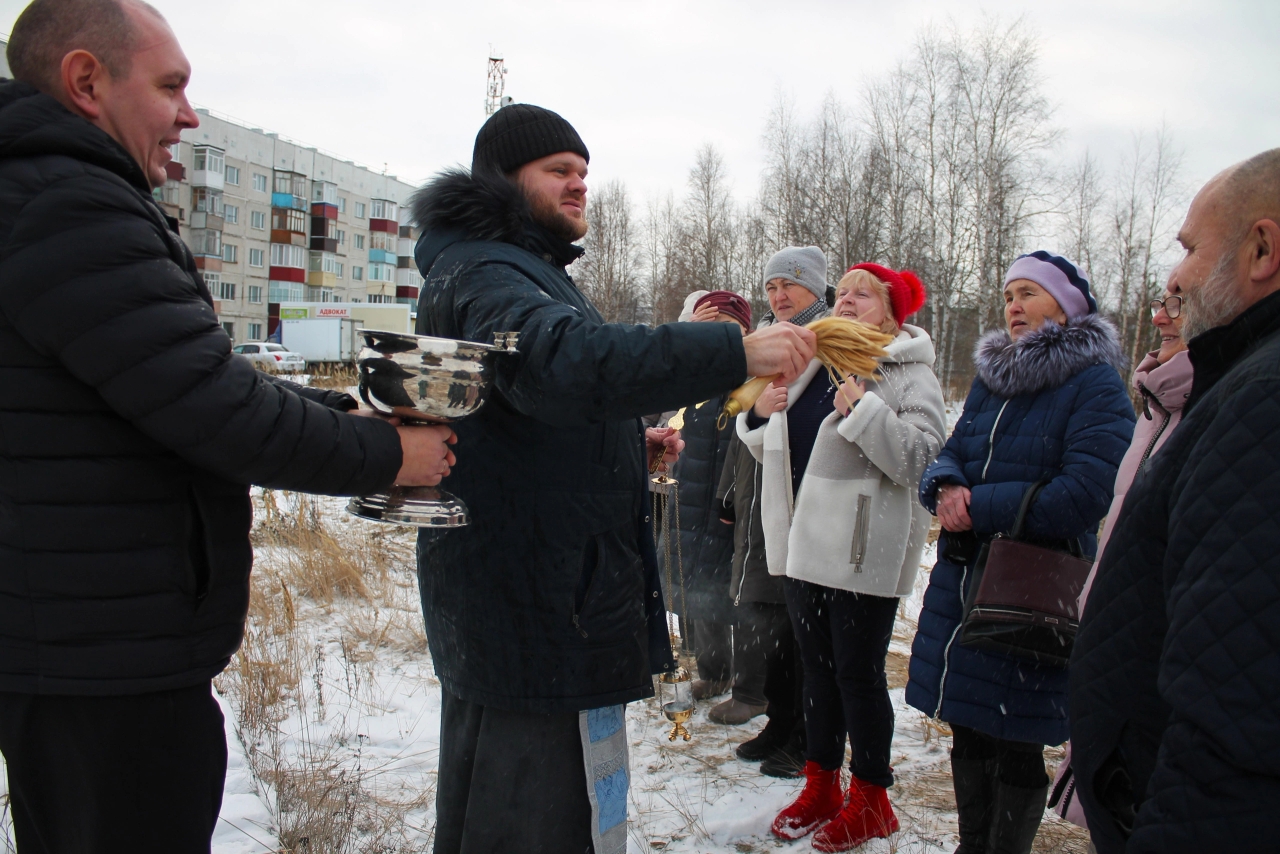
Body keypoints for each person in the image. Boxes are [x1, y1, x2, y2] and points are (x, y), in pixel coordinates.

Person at [0, 2, 455, 851]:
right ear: (86, 81)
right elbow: (218, 412)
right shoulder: (69, 207)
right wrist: (389, 453)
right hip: (102, 654)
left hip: (85, 639)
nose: (188, 115)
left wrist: (342, 410)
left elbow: (181, 383)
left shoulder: (58, 197)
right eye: (170, 86)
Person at [410, 104, 817, 854]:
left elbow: (524, 405)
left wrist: (625, 441)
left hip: (537, 600)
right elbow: (564, 365)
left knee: (523, 816)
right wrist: (730, 353)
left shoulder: (512, 267)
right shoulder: (488, 271)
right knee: (533, 824)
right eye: (558, 171)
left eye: (584, 173)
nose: (578, 187)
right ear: (502, 180)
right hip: (536, 608)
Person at [1071, 149, 1280, 853]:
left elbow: (1237, 713)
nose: (1176, 276)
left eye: (1191, 248)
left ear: (1262, 248)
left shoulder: (1266, 403)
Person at [907, 251, 1135, 854]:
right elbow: (954, 448)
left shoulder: (1095, 384)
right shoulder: (992, 378)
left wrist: (979, 506)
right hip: (966, 581)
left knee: (1015, 735)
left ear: (1067, 306)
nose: (1014, 305)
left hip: (1032, 588)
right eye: (1009, 294)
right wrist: (947, 486)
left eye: (1029, 293)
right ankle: (971, 845)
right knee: (970, 726)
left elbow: (1085, 494)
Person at [742, 264, 946, 850]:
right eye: (845, 291)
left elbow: (919, 462)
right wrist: (762, 413)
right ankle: (821, 784)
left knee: (857, 676)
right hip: (804, 541)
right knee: (818, 674)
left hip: (862, 551)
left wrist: (863, 410)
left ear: (891, 309)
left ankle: (873, 799)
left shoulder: (909, 372)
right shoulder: (818, 357)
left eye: (864, 293)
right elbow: (770, 442)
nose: (848, 299)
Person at [1048, 285, 1192, 832]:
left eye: (1179, 302)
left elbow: (1083, 492)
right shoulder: (1159, 405)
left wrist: (993, 502)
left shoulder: (1101, 389)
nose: (1158, 315)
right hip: (1114, 647)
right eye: (1161, 298)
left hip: (1150, 663)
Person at [723, 245, 832, 777]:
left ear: (815, 287)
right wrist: (759, 413)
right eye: (770, 286)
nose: (778, 294)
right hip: (770, 498)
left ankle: (810, 738)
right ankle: (781, 719)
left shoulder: (831, 340)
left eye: (789, 283)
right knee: (778, 623)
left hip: (814, 499)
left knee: (809, 630)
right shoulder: (766, 341)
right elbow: (745, 423)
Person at [668, 291, 762, 724]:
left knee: (741, 598)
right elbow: (654, 402)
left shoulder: (755, 377)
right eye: (712, 325)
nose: (721, 334)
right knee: (699, 591)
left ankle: (752, 690)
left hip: (736, 507)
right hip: (691, 501)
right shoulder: (692, 376)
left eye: (730, 325)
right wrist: (686, 338)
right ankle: (714, 672)